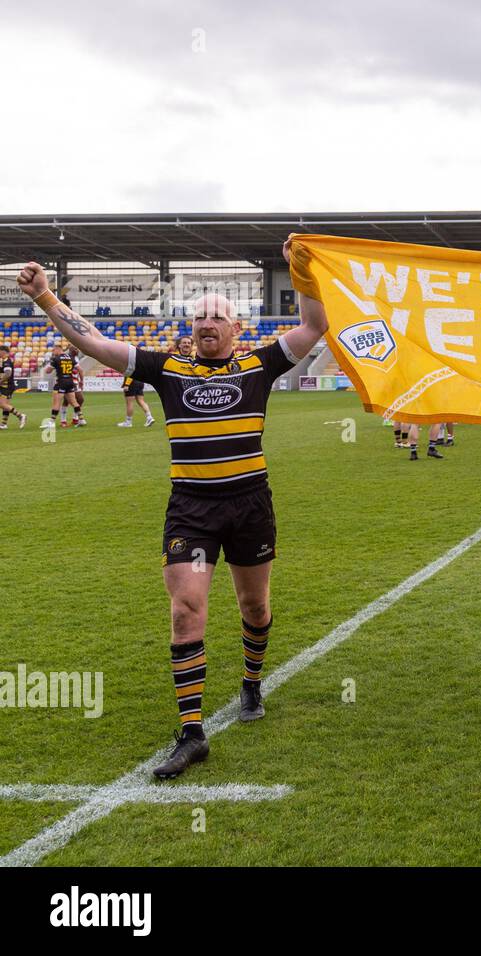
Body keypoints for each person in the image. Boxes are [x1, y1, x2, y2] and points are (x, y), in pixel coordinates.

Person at [15, 241, 327, 779]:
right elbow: (94, 341)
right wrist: (44, 295)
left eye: (218, 316)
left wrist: (301, 268)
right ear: (191, 328)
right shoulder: (167, 368)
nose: (208, 322)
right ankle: (192, 732)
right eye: (199, 315)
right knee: (186, 611)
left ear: (236, 329)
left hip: (250, 505)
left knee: (255, 609)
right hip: (192, 509)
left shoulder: (261, 364)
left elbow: (315, 324)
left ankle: (252, 682)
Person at [44, 344, 83, 428]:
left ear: (58, 349)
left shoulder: (56, 359)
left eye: (53, 350)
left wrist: (51, 366)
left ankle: (52, 422)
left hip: (61, 382)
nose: (53, 352)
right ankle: (81, 419)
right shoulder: (70, 357)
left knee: (56, 403)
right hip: (70, 381)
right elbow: (80, 369)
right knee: (74, 402)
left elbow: (47, 371)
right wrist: (81, 380)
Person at [118, 346, 156, 428]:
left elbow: (130, 373)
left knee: (129, 402)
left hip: (132, 382)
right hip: (140, 382)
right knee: (141, 401)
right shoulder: (141, 360)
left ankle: (128, 422)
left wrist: (127, 384)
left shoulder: (131, 361)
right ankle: (149, 417)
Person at [0, 345, 26, 429]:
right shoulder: (5, 360)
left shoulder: (7, 361)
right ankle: (4, 424)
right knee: (5, 405)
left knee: (2, 404)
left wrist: (0, 381)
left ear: (3, 351)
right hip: (6, 386)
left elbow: (8, 374)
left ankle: (21, 416)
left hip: (6, 386)